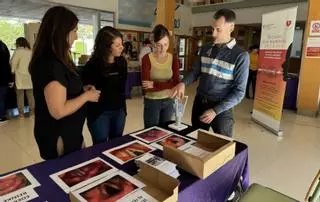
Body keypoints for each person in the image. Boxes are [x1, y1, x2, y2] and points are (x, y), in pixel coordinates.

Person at [29, 6, 101, 160]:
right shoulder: (50, 63)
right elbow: (58, 111)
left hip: (72, 130)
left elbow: (63, 89)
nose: (76, 36)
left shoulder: (60, 58)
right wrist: (86, 96)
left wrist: (81, 90)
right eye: (74, 30)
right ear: (61, 32)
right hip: (59, 133)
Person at [171, 9, 249, 137]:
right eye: (212, 28)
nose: (213, 34)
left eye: (218, 30)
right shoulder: (206, 48)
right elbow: (195, 72)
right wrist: (183, 83)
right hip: (200, 102)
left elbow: (239, 92)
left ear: (231, 27)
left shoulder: (240, 55)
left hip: (222, 108)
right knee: (196, 139)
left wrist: (215, 110)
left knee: (222, 147)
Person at [82, 26, 127, 145]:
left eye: (121, 44)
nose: (121, 47)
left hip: (119, 110)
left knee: (116, 144)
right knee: (100, 146)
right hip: (99, 113)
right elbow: (86, 90)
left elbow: (122, 87)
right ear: (106, 46)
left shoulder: (121, 62)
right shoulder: (92, 66)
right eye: (117, 45)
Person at [141, 24, 180, 128]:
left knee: (166, 132)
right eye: (159, 45)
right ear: (154, 43)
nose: (163, 49)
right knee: (151, 133)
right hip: (152, 102)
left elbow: (176, 82)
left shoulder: (173, 59)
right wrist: (168, 86)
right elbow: (146, 88)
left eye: (166, 44)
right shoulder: (146, 58)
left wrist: (154, 84)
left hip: (169, 101)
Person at [11, 37, 34, 118]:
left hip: (19, 76)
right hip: (29, 76)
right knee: (30, 95)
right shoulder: (30, 51)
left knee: (20, 96)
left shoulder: (17, 52)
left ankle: (21, 114)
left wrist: (12, 72)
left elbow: (13, 64)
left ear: (18, 43)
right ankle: (32, 113)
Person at [0, 40, 13, 124]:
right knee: (2, 99)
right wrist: (10, 79)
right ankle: (2, 115)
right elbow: (8, 66)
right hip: (3, 78)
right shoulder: (3, 48)